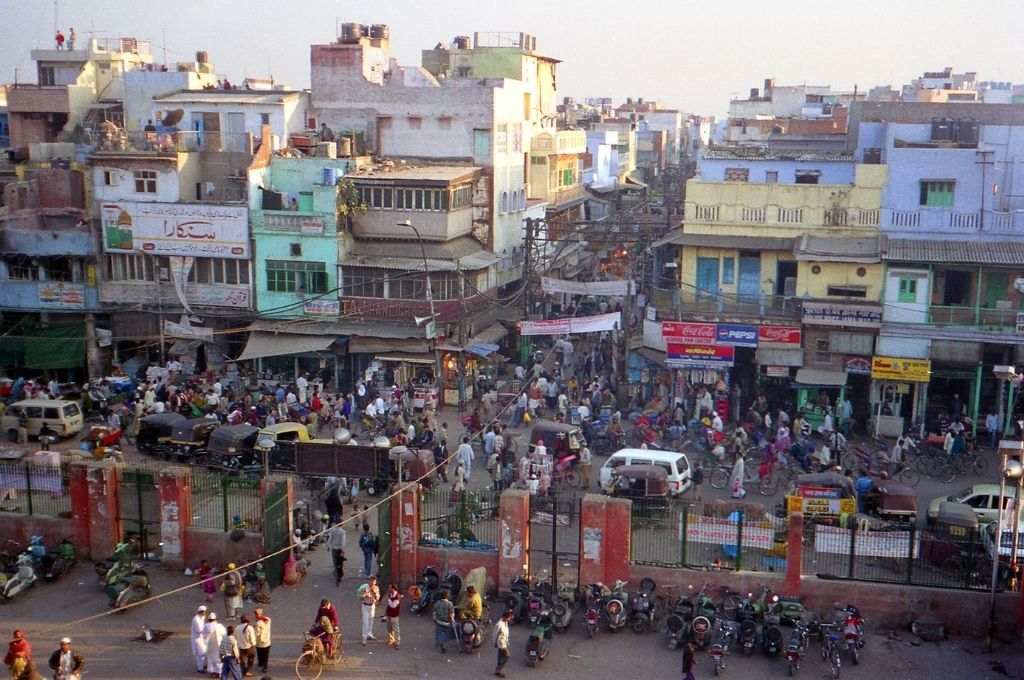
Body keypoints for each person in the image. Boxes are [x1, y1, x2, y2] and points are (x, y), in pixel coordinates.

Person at [359, 576, 380, 646]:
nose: (373, 583)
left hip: (372, 606)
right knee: (365, 623)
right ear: (369, 581)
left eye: (374, 581)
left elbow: (378, 598)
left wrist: (375, 595)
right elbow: (359, 596)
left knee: (371, 620)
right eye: (372, 581)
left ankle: (369, 634)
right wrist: (364, 595)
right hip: (365, 606)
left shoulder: (376, 588)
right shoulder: (365, 587)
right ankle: (364, 638)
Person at [203, 612, 226, 677]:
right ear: (215, 619)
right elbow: (224, 634)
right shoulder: (220, 626)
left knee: (211, 659)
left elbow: (204, 635)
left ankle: (213, 672)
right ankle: (219, 672)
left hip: (210, 645)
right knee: (219, 659)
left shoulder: (206, 626)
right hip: (219, 645)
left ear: (209, 619)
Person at [493, 609, 513, 677]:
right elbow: (495, 634)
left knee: (500, 656)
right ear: (505, 617)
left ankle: (497, 670)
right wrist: (495, 643)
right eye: (509, 618)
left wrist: (507, 642)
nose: (510, 619)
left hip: (504, 643)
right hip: (500, 644)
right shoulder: (499, 624)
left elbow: (506, 634)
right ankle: (498, 669)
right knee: (507, 655)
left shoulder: (505, 623)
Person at [190, 605, 209, 674]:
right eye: (204, 612)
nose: (205, 613)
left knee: (203, 653)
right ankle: (200, 668)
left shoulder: (202, 617)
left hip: (201, 638)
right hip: (197, 639)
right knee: (200, 654)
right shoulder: (196, 620)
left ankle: (202, 665)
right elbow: (199, 630)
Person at [253, 607, 271, 675]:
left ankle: (261, 664)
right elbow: (265, 619)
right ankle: (265, 666)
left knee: (260, 653)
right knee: (266, 655)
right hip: (267, 641)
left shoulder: (258, 623)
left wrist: (254, 628)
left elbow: (257, 634)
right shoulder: (268, 620)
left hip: (259, 642)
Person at [384, 583, 402, 649]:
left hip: (394, 615)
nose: (389, 589)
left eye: (390, 588)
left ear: (393, 589)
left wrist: (389, 600)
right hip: (389, 614)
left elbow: (393, 606)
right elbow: (388, 606)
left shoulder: (397, 596)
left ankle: (397, 642)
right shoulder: (390, 594)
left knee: (396, 629)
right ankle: (391, 639)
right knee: (389, 628)